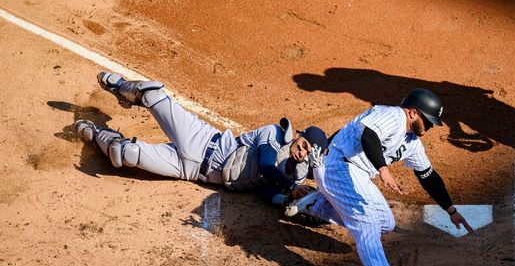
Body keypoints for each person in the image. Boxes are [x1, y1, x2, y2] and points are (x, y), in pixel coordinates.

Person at [285, 88, 473, 266]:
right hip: (338, 166)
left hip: (358, 174)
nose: (431, 126)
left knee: (386, 223)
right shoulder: (392, 115)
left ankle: (318, 204)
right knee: (367, 225)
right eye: (428, 120)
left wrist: (451, 210)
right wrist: (383, 169)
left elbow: (428, 176)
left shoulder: (412, 142)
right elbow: (369, 136)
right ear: (413, 113)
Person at [74, 72, 328, 207]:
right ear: (299, 135)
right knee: (151, 93)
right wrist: (291, 188)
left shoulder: (293, 176)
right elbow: (265, 165)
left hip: (190, 171)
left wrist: (289, 201)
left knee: (124, 154)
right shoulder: (274, 134)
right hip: (202, 141)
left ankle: (96, 133)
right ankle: (120, 87)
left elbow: (265, 190)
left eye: (307, 153)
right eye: (303, 145)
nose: (302, 153)